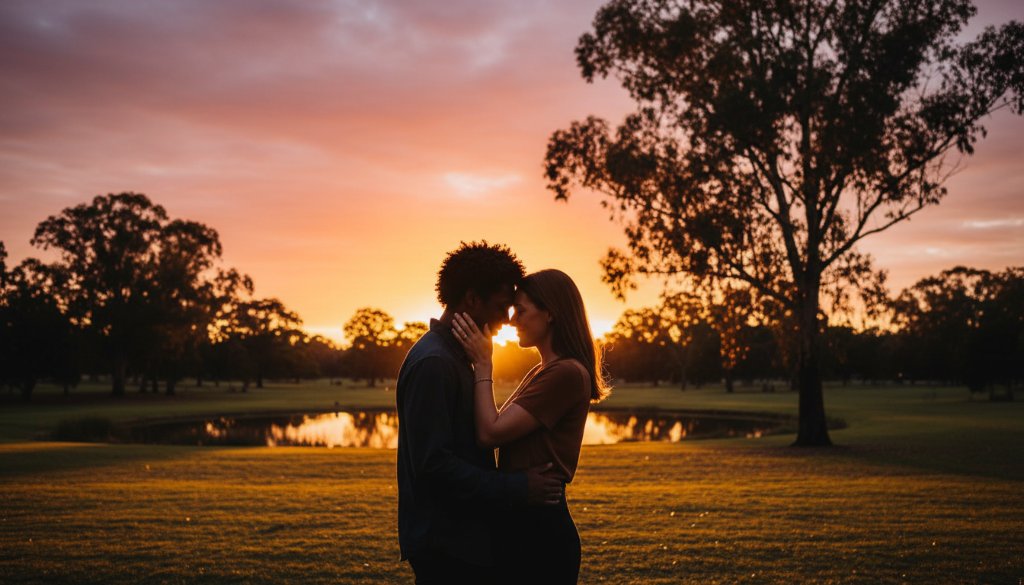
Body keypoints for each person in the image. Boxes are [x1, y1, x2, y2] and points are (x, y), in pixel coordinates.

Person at [396, 242, 564, 585]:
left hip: (464, 538)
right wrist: (518, 487)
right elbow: (433, 467)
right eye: (502, 306)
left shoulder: (458, 357)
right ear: (472, 299)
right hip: (446, 546)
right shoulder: (434, 363)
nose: (507, 318)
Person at [451, 268, 611, 585]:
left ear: (549, 313)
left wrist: (484, 364)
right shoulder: (543, 370)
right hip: (523, 521)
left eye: (520, 311)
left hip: (540, 531)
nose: (511, 321)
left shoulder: (565, 373)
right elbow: (494, 425)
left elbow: (489, 433)